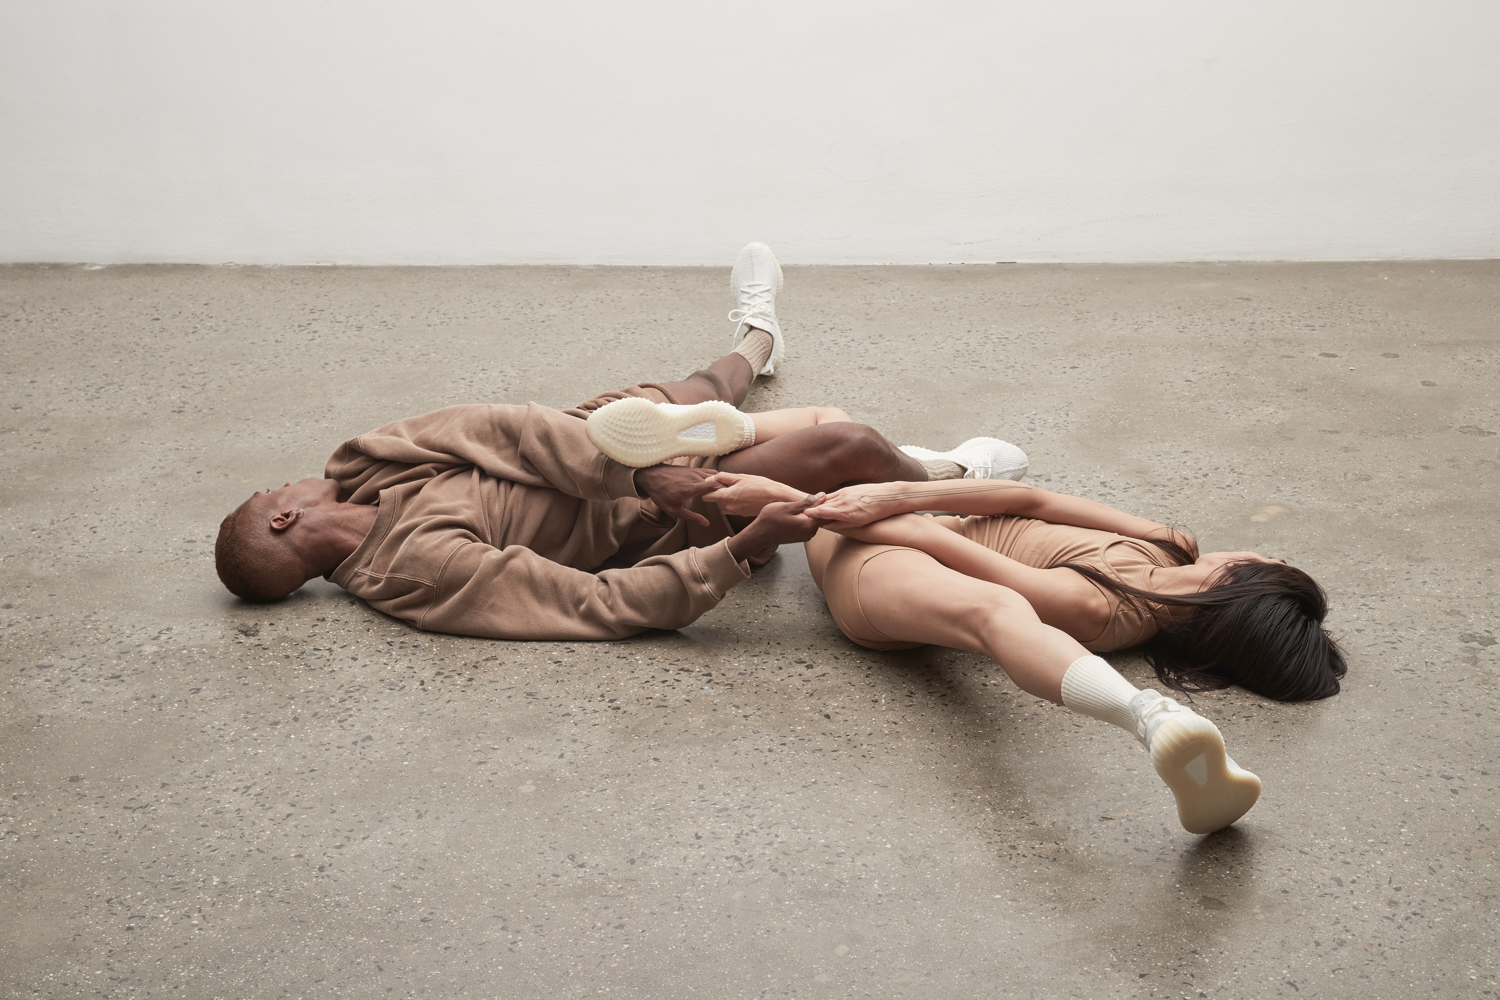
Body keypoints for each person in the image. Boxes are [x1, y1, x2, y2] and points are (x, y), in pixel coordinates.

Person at [213, 243, 1026, 641]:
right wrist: (738, 549)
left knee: (704, 389)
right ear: (284, 519)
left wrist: (635, 470)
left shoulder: (359, 463)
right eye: (272, 494)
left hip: (597, 445)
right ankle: (949, 479)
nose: (284, 483)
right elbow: (592, 605)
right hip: (657, 520)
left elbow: (503, 428)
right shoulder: (414, 572)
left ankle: (758, 334)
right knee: (848, 446)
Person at [689, 472, 1346, 834]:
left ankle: (1150, 718)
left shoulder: (1103, 610)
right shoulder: (1172, 543)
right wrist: (895, 491)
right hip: (909, 521)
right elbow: (1031, 498)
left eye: (1272, 559)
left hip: (882, 564)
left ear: (1238, 581)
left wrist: (798, 502)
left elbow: (938, 546)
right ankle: (921, 467)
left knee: (994, 611)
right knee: (854, 458)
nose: (1263, 549)